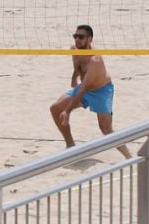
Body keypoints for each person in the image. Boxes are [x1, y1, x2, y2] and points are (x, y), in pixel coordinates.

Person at [50, 24, 132, 159]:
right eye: (75, 36)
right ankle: (70, 146)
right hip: (85, 87)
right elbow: (77, 67)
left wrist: (68, 111)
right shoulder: (74, 50)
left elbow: (84, 88)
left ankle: (130, 158)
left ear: (90, 39)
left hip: (101, 91)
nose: (77, 40)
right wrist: (74, 78)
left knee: (106, 129)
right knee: (55, 109)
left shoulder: (95, 60)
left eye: (81, 37)